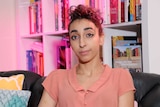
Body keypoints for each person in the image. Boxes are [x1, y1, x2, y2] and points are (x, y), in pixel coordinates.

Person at [38, 4, 135, 107]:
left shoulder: (120, 77)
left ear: (101, 38)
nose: (82, 43)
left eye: (89, 35)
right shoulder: (56, 79)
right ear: (70, 42)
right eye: (75, 37)